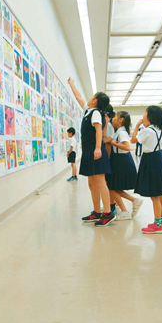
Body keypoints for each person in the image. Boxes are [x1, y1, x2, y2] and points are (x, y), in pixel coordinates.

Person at [68, 77, 115, 227]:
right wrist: (72, 84)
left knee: (100, 181)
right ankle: (97, 212)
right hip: (88, 150)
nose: (88, 98)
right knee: (91, 183)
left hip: (96, 150)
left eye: (92, 96)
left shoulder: (95, 113)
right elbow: (79, 97)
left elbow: (98, 131)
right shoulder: (88, 111)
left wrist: (97, 148)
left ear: (95, 101)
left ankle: (107, 213)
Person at [131, 106, 162, 234]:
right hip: (160, 158)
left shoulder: (148, 131)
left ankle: (157, 224)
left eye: (145, 114)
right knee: (161, 193)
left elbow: (133, 140)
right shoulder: (161, 131)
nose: (143, 116)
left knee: (154, 195)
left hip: (150, 159)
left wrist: (137, 125)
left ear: (151, 117)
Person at [107, 111, 143, 220]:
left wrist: (112, 142)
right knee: (114, 187)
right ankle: (131, 203)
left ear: (121, 120)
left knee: (112, 187)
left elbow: (127, 147)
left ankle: (127, 208)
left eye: (115, 116)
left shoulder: (122, 132)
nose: (113, 118)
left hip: (122, 161)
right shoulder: (119, 131)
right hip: (119, 160)